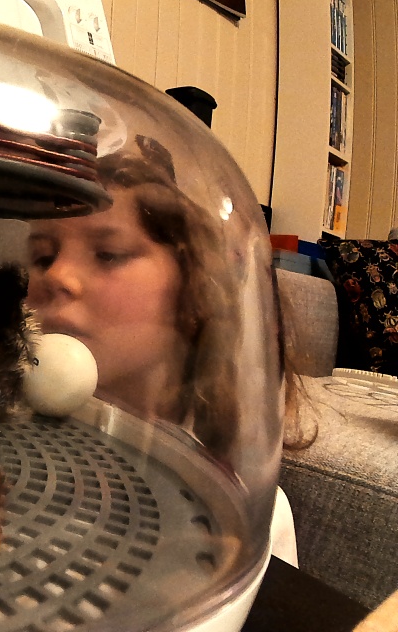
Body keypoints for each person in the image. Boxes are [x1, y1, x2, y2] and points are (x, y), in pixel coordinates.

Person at [23, 137, 312, 456]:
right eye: (43, 257)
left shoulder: (217, 466)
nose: (56, 275)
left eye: (108, 254)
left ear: (194, 285)